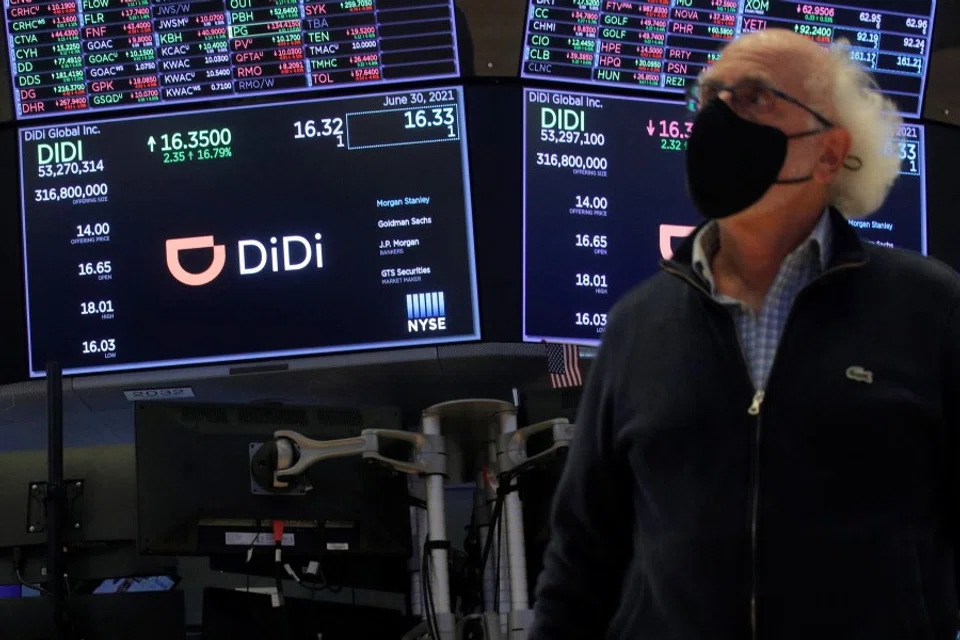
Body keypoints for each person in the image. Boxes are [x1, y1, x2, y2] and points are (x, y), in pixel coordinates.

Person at [530, 28, 960, 640]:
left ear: (830, 153)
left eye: (756, 97)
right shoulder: (636, 325)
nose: (720, 118)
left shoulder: (930, 308)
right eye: (711, 97)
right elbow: (581, 562)